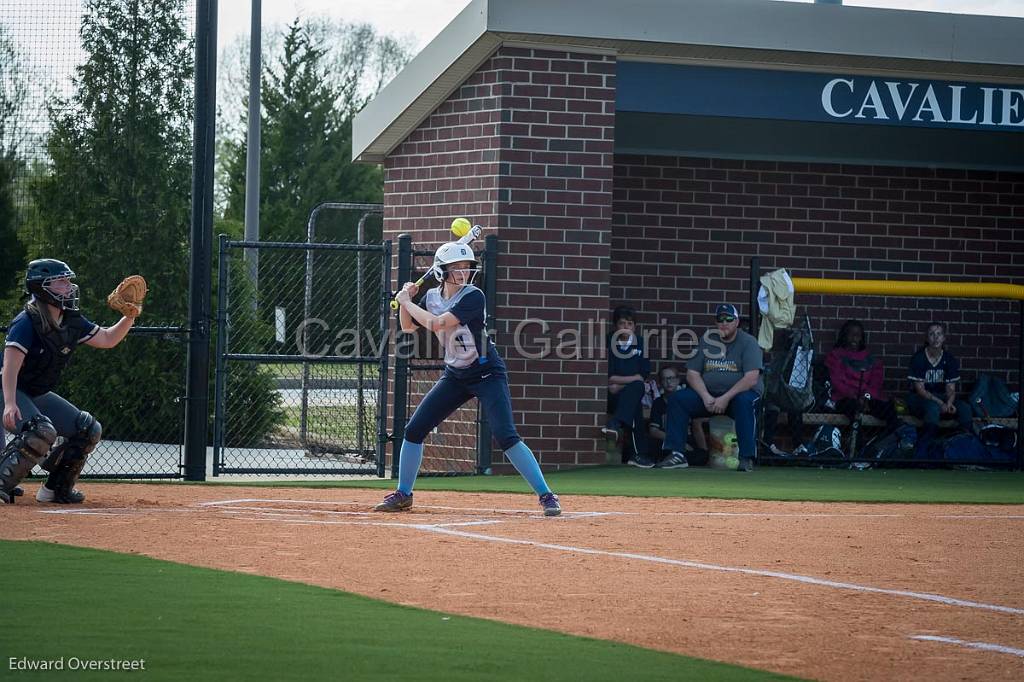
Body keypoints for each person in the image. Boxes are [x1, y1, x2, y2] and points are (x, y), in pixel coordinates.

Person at [377, 240, 561, 516]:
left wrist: (405, 301)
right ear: (441, 271)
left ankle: (547, 495)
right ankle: (404, 494)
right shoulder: (431, 298)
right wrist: (408, 300)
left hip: (487, 373)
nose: (464, 273)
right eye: (456, 268)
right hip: (455, 376)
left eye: (467, 267)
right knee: (414, 430)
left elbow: (437, 323)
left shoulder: (473, 296)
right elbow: (407, 326)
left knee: (505, 435)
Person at [1, 259, 139, 504]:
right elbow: (9, 369)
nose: (69, 286)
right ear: (42, 288)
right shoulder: (27, 321)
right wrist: (10, 404)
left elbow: (107, 339)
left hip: (35, 392)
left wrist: (129, 316)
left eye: (68, 281)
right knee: (40, 431)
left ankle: (55, 489)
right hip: (7, 390)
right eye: (61, 281)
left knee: (88, 429)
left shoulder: (70, 320)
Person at [662, 304, 763, 472]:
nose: (724, 322)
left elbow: (751, 379)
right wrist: (705, 396)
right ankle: (676, 454)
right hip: (709, 397)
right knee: (678, 399)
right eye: (720, 319)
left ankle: (746, 458)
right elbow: (692, 374)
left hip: (738, 395)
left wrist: (725, 398)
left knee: (745, 402)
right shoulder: (707, 340)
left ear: (736, 321)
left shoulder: (749, 342)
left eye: (729, 319)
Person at [823, 320, 899, 440]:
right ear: (844, 336)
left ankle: (882, 445)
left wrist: (866, 397)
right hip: (846, 398)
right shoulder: (836, 356)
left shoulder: (871, 359)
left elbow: (875, 383)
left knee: (889, 408)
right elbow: (837, 382)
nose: (854, 338)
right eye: (851, 334)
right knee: (853, 408)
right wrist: (856, 396)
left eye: (858, 335)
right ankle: (857, 447)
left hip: (868, 399)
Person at [906, 322, 973, 450]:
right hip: (920, 399)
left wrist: (949, 403)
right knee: (932, 408)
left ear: (944, 338)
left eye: (939, 334)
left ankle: (965, 447)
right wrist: (940, 403)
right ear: (926, 338)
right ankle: (926, 449)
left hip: (942, 398)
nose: (935, 337)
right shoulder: (919, 358)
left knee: (965, 408)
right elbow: (920, 390)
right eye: (931, 334)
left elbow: (951, 388)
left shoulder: (949, 359)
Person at [601, 305, 653, 468]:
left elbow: (643, 374)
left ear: (635, 327)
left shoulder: (641, 343)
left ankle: (615, 424)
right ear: (615, 326)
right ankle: (638, 455)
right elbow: (608, 376)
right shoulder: (607, 341)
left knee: (636, 393)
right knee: (635, 396)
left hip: (626, 392)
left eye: (630, 324)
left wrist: (620, 384)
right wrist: (628, 381)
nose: (626, 327)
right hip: (609, 396)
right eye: (622, 323)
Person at [648, 366, 709, 467]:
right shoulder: (658, 403)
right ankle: (672, 460)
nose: (669, 382)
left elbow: (696, 426)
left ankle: (676, 461)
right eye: (665, 379)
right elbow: (654, 431)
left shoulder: (688, 400)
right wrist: (677, 442)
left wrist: (705, 451)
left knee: (700, 456)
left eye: (672, 378)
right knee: (652, 448)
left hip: (687, 441)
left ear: (678, 380)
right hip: (666, 441)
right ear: (660, 382)